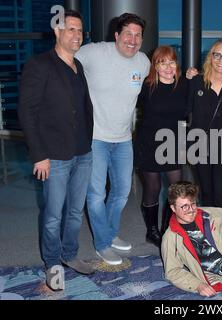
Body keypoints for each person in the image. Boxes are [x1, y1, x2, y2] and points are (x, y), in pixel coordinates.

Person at [18, 10, 95, 291]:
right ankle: (52, 263)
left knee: (75, 211)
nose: (77, 36)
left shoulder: (79, 66)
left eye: (80, 31)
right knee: (53, 214)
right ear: (57, 32)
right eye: (71, 29)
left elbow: (83, 108)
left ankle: (70, 253)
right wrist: (39, 155)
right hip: (54, 155)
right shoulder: (40, 65)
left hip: (83, 152)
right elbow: (27, 112)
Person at [75, 13, 150, 265]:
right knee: (96, 194)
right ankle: (102, 244)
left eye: (138, 35)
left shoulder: (143, 62)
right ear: (116, 35)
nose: (133, 39)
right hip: (95, 137)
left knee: (121, 192)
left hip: (123, 139)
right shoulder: (94, 52)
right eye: (128, 33)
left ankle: (109, 232)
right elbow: (63, 59)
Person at [134, 46, 188, 247]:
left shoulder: (184, 85)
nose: (167, 67)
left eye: (171, 62)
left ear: (177, 65)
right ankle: (152, 231)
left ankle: (168, 228)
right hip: (149, 142)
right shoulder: (146, 86)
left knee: (176, 188)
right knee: (153, 186)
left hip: (175, 141)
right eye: (162, 62)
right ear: (155, 66)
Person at [187, 39, 222, 208]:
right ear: (210, 57)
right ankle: (208, 228)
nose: (221, 60)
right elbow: (183, 110)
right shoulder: (196, 81)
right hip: (200, 144)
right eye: (217, 55)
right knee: (206, 191)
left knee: (221, 190)